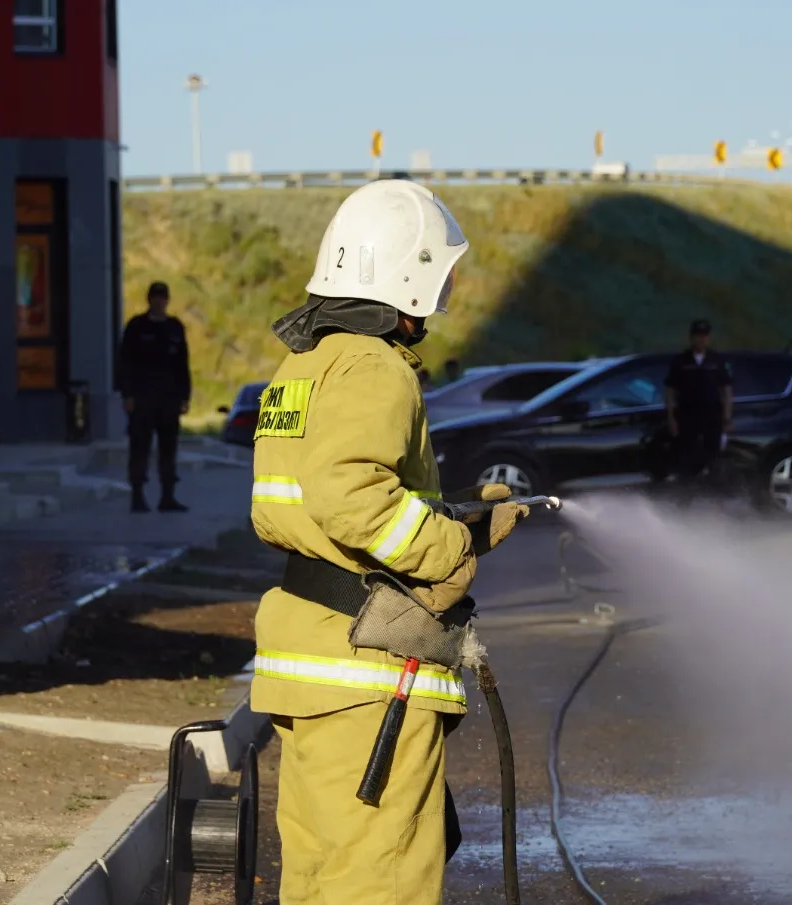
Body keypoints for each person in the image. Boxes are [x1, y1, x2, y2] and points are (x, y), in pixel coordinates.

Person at [248, 179, 529, 904]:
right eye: (440, 270)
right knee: (381, 883)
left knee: (321, 879)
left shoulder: (306, 364)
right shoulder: (375, 366)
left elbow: (327, 506)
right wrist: (452, 552)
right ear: (407, 273)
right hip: (369, 673)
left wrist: (460, 518)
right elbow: (350, 497)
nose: (448, 287)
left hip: (314, 659)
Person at [117, 281, 191, 513]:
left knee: (168, 448)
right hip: (142, 399)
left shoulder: (174, 328)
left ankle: (167, 497)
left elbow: (182, 364)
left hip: (168, 399)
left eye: (163, 297)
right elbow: (124, 364)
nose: (159, 301)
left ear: (167, 300)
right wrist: (127, 394)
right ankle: (137, 495)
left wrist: (185, 396)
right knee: (140, 447)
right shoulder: (136, 328)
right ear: (149, 300)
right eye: (155, 297)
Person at [662, 319, 733, 484]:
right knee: (686, 454)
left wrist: (727, 417)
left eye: (704, 336)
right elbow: (670, 391)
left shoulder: (717, 360)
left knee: (712, 454)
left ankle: (711, 491)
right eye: (697, 335)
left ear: (708, 338)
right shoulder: (680, 361)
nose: (700, 339)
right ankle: (686, 493)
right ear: (690, 337)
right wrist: (671, 417)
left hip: (712, 415)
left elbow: (727, 391)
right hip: (687, 415)